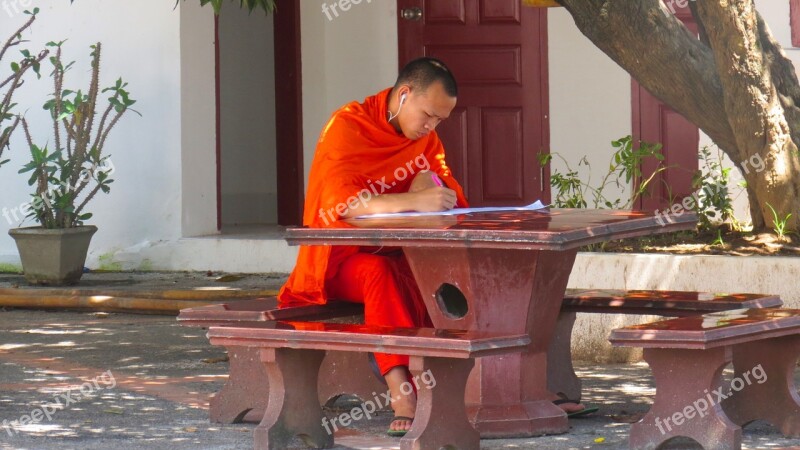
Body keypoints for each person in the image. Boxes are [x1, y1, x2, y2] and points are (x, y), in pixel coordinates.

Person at [278, 57, 586, 436]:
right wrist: (413, 201)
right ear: (404, 95)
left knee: (456, 277)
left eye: (440, 120)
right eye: (427, 115)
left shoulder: (423, 137)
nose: (431, 126)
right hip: (340, 260)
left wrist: (429, 189)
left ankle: (514, 387)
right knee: (380, 274)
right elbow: (340, 207)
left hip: (401, 250)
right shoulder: (347, 125)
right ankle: (400, 390)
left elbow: (446, 192)